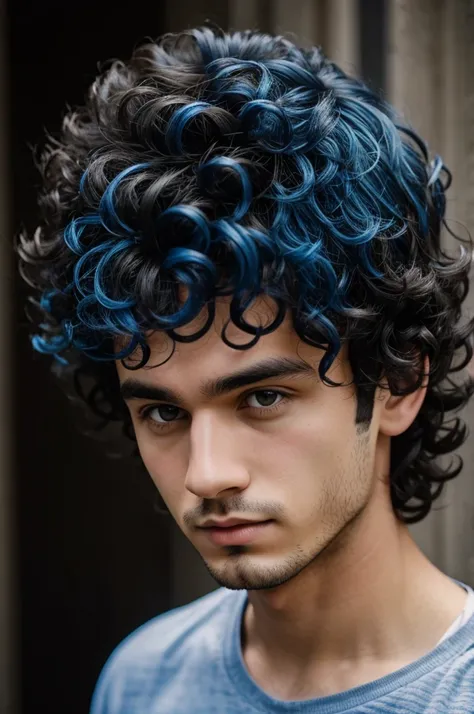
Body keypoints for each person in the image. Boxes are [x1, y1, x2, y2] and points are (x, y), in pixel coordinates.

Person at [17, 25, 474, 714]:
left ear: (399, 381)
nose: (206, 474)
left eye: (262, 397)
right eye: (163, 412)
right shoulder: (140, 683)